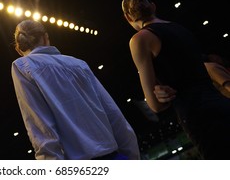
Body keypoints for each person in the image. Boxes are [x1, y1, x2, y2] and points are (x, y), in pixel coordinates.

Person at [121, 0, 230, 160]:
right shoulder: (180, 28)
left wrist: (158, 93)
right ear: (153, 6)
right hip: (220, 103)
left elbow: (155, 105)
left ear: (128, 17)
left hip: (197, 115)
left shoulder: (139, 40)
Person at [11, 19, 140, 160]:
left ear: (18, 49)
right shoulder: (79, 64)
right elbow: (114, 114)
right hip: (115, 157)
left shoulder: (22, 67)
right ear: (46, 37)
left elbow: (41, 129)